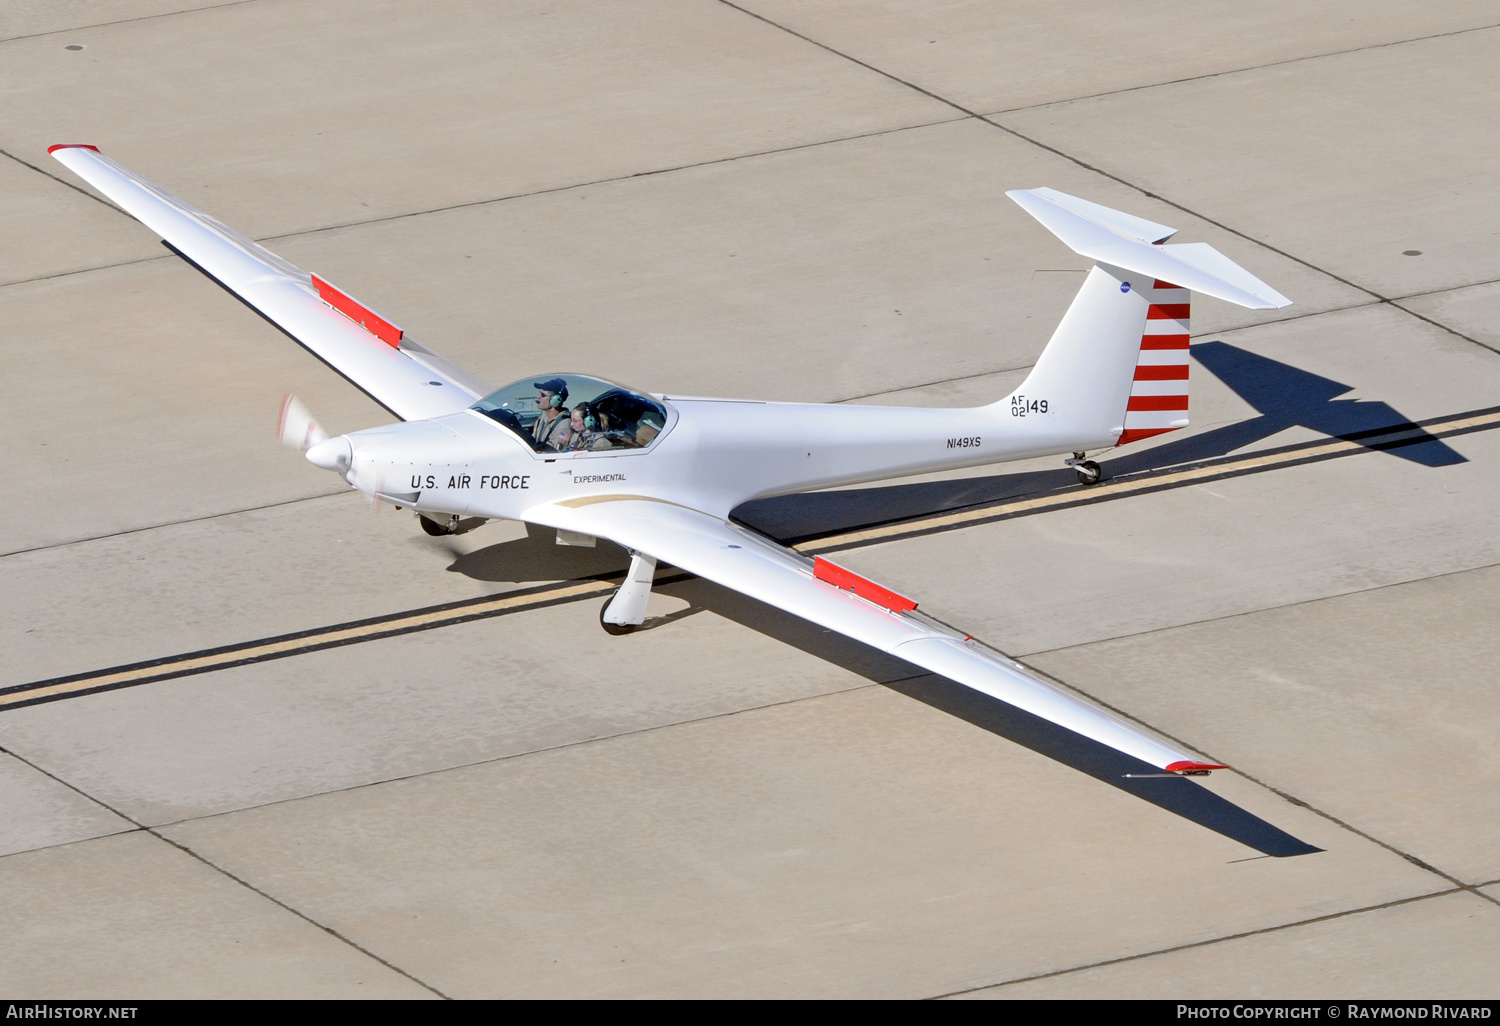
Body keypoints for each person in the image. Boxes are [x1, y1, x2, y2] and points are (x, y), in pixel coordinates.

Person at [530, 377, 571, 450]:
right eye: (539, 393)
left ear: (555, 400)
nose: (538, 396)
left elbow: (555, 452)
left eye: (543, 395)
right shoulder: (542, 418)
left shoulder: (564, 425)